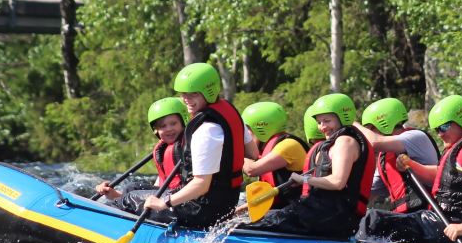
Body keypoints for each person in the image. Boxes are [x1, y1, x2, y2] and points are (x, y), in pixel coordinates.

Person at [357, 95, 462, 243]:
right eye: (437, 129)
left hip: (457, 230)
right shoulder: (461, 150)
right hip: (446, 223)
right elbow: (438, 177)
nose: (440, 134)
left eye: (444, 127)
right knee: (374, 220)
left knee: (373, 221)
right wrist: (412, 165)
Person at [142, 62, 258, 229]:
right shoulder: (230, 111)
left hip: (200, 210)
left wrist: (164, 204)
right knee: (134, 188)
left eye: (193, 95)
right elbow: (253, 153)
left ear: (209, 91)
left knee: (128, 198)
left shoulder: (206, 130)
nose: (186, 100)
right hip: (226, 203)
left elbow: (201, 185)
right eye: (183, 95)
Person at [244, 93, 375, 239]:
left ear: (343, 117)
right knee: (258, 221)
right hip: (325, 213)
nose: (322, 127)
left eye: (327, 121)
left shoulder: (345, 142)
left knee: (253, 228)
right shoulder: (335, 143)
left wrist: (304, 180)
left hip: (335, 216)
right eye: (319, 122)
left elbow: (338, 182)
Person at [94, 97, 189, 223]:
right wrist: (113, 194)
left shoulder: (187, 147)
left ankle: (99, 218)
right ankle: (116, 201)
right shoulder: (165, 150)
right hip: (170, 196)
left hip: (182, 202)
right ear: (156, 130)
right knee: (130, 188)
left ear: (183, 122)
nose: (169, 129)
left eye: (173, 123)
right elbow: (158, 187)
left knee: (131, 197)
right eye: (163, 126)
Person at [354, 97, 439, 213]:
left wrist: (352, 124)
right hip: (406, 217)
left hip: (429, 213)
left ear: (383, 123)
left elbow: (374, 142)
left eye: (370, 129)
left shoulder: (415, 137)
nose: (367, 134)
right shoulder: (384, 156)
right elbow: (368, 192)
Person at [241, 101, 309, 210]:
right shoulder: (268, 148)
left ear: (261, 127)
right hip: (282, 209)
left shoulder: (289, 145)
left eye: (246, 129)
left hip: (297, 211)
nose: (244, 135)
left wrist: (238, 151)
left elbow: (251, 170)